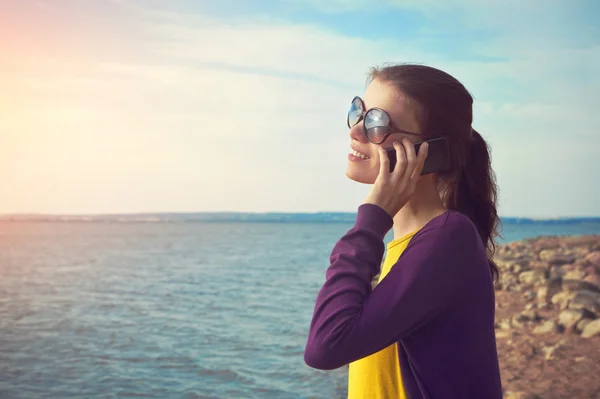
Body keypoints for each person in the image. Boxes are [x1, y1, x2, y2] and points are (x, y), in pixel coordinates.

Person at [303, 63, 503, 399]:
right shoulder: (412, 243)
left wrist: (373, 217)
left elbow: (324, 347)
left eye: (377, 122)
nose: (355, 131)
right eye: (357, 112)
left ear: (431, 152)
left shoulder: (447, 239)